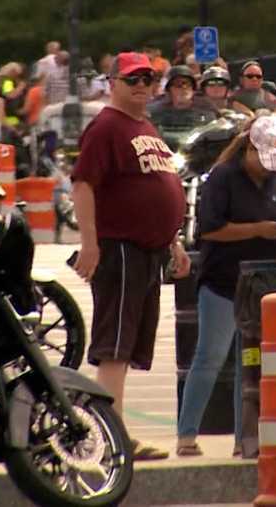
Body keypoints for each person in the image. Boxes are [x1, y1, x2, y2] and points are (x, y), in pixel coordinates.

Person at [70, 51, 190, 461]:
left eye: (148, 79)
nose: (141, 85)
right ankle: (110, 439)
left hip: (148, 251)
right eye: (132, 79)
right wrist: (90, 243)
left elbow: (158, 186)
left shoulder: (144, 125)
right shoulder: (106, 127)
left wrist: (172, 240)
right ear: (112, 83)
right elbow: (83, 184)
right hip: (119, 248)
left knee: (128, 346)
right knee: (115, 347)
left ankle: (116, 433)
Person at [176, 116, 276, 457]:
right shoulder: (223, 178)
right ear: (247, 149)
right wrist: (258, 229)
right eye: (260, 160)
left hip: (261, 284)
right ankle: (187, 434)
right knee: (210, 357)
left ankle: (245, 438)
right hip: (222, 281)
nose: (265, 168)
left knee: (252, 362)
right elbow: (209, 231)